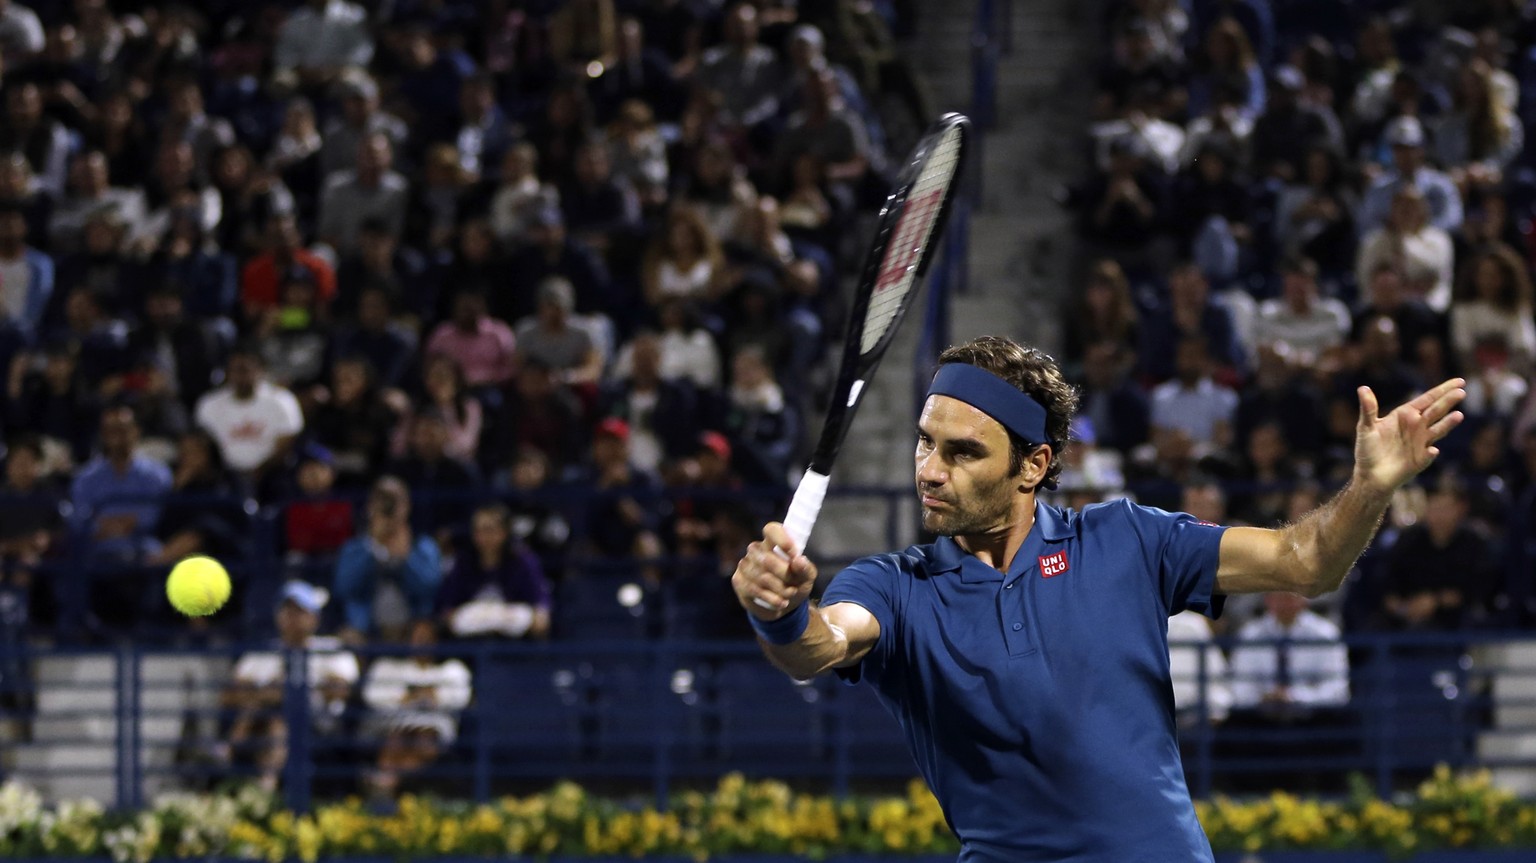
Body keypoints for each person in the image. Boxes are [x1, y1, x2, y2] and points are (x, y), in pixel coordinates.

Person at [731, 334, 1465, 862]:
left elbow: (1304, 562)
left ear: (1034, 464)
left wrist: (1369, 487)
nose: (930, 468)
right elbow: (819, 645)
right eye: (925, 442)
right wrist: (782, 609)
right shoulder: (894, 584)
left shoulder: (1127, 539)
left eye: (962, 451)